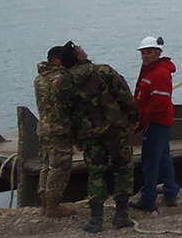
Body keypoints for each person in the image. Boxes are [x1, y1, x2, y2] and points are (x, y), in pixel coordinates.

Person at [54, 41, 141, 232]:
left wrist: (75, 139)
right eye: (79, 48)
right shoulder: (103, 71)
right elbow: (124, 96)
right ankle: (122, 215)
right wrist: (134, 119)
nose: (82, 48)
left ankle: (96, 219)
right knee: (123, 169)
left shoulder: (63, 84)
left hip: (89, 135)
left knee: (96, 173)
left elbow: (64, 117)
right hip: (116, 130)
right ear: (80, 57)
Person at [130, 36, 180, 212]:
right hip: (158, 122)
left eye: (149, 52)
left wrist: (144, 120)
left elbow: (159, 103)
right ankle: (170, 193)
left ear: (158, 53)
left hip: (156, 123)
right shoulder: (149, 71)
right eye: (143, 53)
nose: (145, 56)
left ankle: (148, 198)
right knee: (164, 159)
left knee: (150, 161)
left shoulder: (159, 74)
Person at [33, 45, 76, 217]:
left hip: (44, 127)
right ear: (57, 60)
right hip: (59, 129)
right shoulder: (60, 78)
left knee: (46, 166)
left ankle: (45, 201)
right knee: (59, 168)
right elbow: (67, 105)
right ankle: (53, 205)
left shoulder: (39, 79)